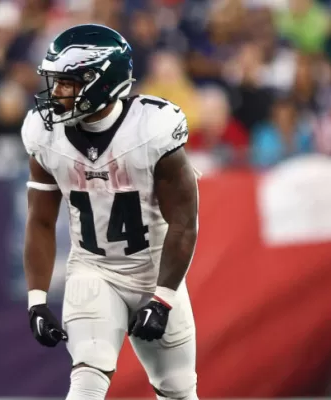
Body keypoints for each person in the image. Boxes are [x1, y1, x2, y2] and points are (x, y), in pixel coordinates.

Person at [20, 24, 200, 400]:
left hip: (154, 269)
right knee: (86, 378)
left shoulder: (152, 129)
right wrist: (36, 299)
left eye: (66, 83)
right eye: (55, 82)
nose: (56, 94)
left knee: (179, 392)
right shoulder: (44, 134)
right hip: (93, 268)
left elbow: (184, 223)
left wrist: (163, 298)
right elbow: (39, 219)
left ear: (100, 81)